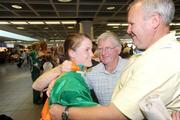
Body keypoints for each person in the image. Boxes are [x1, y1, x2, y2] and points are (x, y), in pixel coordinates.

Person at [49, 0, 180, 120]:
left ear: (154, 21)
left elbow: (117, 114)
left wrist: (65, 112)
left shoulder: (161, 59)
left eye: (132, 24)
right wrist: (59, 78)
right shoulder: (152, 54)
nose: (128, 30)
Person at [33, 31, 128, 105]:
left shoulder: (132, 67)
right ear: (72, 53)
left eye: (108, 48)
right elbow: (36, 86)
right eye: (100, 49)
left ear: (119, 49)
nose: (102, 53)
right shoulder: (92, 72)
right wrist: (58, 77)